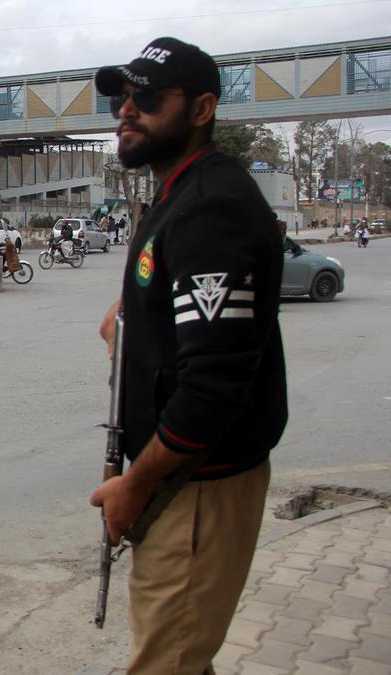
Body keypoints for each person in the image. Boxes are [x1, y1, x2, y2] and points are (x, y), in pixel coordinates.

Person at [89, 37, 287, 675]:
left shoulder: (211, 206)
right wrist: (132, 323)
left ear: (201, 108)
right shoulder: (180, 190)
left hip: (194, 488)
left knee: (167, 663)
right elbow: (187, 320)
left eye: (147, 97)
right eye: (123, 96)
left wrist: (134, 487)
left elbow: (213, 387)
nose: (126, 109)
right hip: (181, 486)